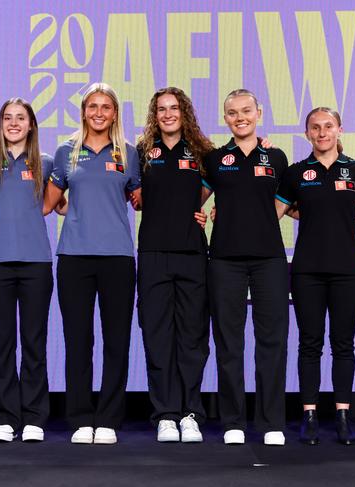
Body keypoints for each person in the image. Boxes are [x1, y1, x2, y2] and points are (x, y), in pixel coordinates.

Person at [44, 82, 141, 445]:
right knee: (78, 339)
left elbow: (142, 200)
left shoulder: (129, 154)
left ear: (115, 113)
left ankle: (109, 419)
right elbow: (49, 203)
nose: (99, 113)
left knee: (117, 340)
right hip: (74, 257)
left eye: (106, 107)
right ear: (83, 111)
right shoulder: (66, 152)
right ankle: (81, 417)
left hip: (117, 257)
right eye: (92, 106)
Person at [275, 107, 355, 445]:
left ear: (340, 130)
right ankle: (310, 415)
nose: (322, 132)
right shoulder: (296, 172)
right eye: (315, 128)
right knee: (309, 344)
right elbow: (273, 213)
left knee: (344, 344)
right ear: (307, 134)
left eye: (328, 126)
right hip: (307, 271)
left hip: (347, 269)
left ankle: (342, 415)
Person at [202, 89, 289, 446]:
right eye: (233, 113)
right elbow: (196, 198)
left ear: (259, 113)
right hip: (224, 259)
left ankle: (271, 422)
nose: (240, 117)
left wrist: (258, 221)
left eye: (246, 111)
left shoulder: (277, 156)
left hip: (269, 259)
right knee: (229, 342)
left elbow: (283, 203)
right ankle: (233, 421)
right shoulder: (215, 158)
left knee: (272, 341)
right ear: (225, 118)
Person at [0, 98, 53, 442]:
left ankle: (34, 416)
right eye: (8, 118)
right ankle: (6, 416)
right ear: (0, 123)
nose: (14, 123)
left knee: (34, 342)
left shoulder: (46, 163)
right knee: (2, 342)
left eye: (21, 118)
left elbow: (58, 205)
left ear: (31, 124)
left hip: (36, 262)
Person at [135, 87, 213, 442]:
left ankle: (190, 412)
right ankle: (165, 413)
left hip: (192, 253)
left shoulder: (202, 151)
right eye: (161, 109)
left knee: (193, 337)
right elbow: (132, 196)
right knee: (157, 334)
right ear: (155, 114)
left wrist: (202, 212)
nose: (168, 114)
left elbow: (228, 180)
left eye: (174, 108)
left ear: (185, 112)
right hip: (153, 254)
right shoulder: (140, 151)